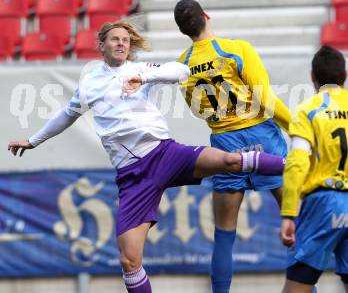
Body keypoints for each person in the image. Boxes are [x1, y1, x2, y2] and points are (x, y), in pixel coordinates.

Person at [8, 20, 285, 293]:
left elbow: (180, 70)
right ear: (101, 45)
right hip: (133, 176)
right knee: (129, 261)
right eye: (115, 39)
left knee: (230, 161)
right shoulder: (89, 84)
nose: (121, 44)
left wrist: (144, 77)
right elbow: (66, 115)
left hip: (165, 154)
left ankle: (294, 165)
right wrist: (33, 141)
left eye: (126, 40)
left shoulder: (140, 70)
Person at [174, 0, 291, 293]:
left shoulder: (183, 66)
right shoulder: (237, 50)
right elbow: (266, 101)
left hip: (225, 146)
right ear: (206, 16)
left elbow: (198, 111)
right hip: (263, 138)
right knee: (295, 222)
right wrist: (296, 127)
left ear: (182, 30)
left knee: (224, 234)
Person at [280, 46, 348, 293]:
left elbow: (298, 162)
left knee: (298, 284)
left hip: (324, 203)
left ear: (312, 77)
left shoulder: (308, 110)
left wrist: (288, 213)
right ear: (345, 74)